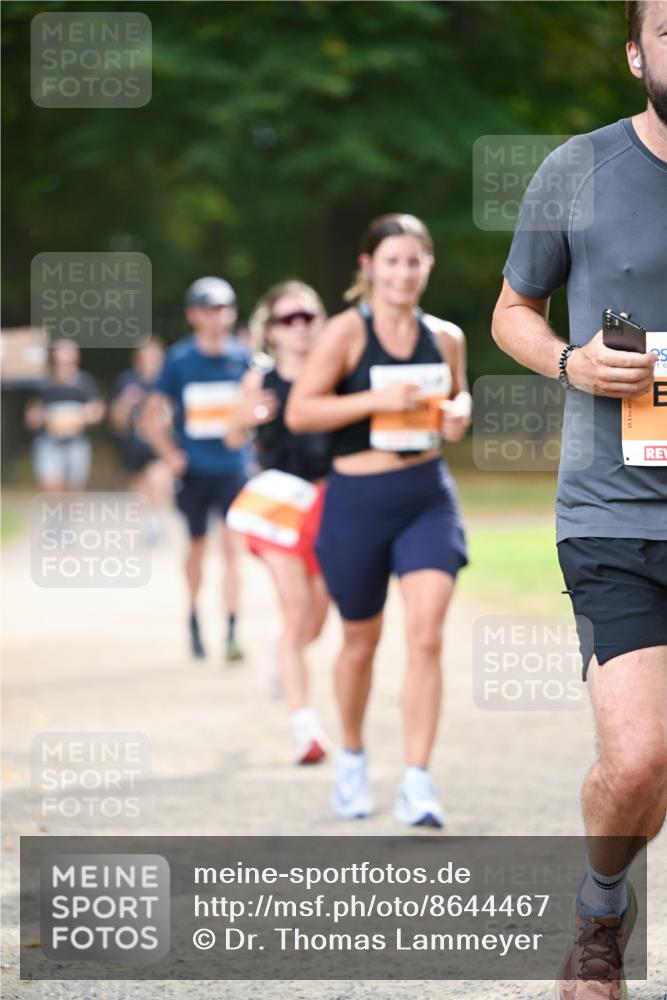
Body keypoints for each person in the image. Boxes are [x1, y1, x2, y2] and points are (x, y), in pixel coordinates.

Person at [492, 3, 667, 995]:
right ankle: (601, 909)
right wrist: (567, 360)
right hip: (616, 509)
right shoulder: (578, 167)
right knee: (638, 760)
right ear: (635, 53)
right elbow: (512, 308)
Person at [286, 214, 471, 826]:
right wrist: (373, 401)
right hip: (357, 501)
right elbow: (300, 413)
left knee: (426, 634)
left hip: (425, 494)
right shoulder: (344, 334)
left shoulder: (445, 336)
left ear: (427, 267)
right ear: (368, 268)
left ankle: (418, 780)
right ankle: (354, 759)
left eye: (413, 261)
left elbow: (458, 396)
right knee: (360, 644)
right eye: (390, 261)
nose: (402, 272)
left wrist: (459, 414)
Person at [225, 281, 331, 764]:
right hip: (277, 503)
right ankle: (305, 728)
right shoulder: (259, 379)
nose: (300, 326)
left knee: (314, 623)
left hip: (329, 502)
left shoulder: (336, 372)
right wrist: (245, 418)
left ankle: (279, 647)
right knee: (294, 613)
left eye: (307, 316)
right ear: (271, 330)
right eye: (289, 319)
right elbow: (231, 437)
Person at [143, 277, 250, 663]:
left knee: (234, 549)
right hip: (194, 471)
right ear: (193, 315)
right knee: (198, 549)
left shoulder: (244, 358)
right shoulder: (180, 360)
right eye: (209, 309)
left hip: (234, 468)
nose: (217, 317)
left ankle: (233, 631)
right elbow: (151, 414)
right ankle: (193, 618)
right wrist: (169, 453)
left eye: (223, 308)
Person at [110, 339, 170, 543]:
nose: (150, 361)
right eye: (146, 356)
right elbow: (116, 421)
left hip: (161, 443)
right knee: (140, 485)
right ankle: (148, 523)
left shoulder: (168, 381)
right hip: (134, 445)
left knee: (158, 479)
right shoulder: (127, 382)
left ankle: (159, 520)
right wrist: (125, 404)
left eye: (154, 356)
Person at [25, 338, 104, 492]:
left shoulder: (85, 383)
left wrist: (77, 417)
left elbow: (97, 410)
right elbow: (32, 415)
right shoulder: (43, 383)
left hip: (76, 444)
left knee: (73, 491)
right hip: (49, 443)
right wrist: (48, 419)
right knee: (51, 486)